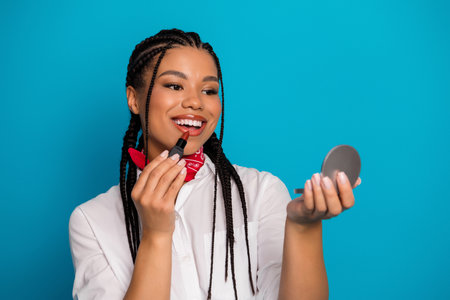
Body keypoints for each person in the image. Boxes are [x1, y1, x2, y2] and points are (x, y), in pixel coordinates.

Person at [68, 28, 361, 300]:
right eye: (174, 85)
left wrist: (303, 227)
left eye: (209, 90)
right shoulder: (91, 222)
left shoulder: (261, 192)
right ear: (134, 99)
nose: (196, 102)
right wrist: (156, 235)